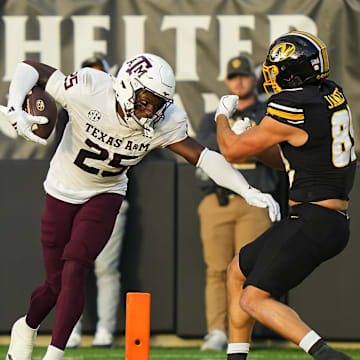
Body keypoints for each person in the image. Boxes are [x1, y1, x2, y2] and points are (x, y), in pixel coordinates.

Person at [2, 53, 280, 360]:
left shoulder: (165, 121)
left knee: (76, 267)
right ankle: (26, 327)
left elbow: (203, 157)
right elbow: (31, 68)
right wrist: (16, 106)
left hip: (106, 193)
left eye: (158, 104)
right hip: (61, 189)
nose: (150, 111)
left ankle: (53, 356)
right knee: (54, 285)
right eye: (145, 101)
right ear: (125, 87)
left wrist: (246, 188)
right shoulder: (90, 87)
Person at [214, 31, 356, 360]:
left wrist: (222, 115)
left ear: (292, 74)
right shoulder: (330, 93)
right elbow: (287, 159)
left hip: (315, 219)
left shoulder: (294, 103)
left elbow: (231, 151)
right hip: (322, 217)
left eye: (277, 70)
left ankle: (328, 356)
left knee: (254, 298)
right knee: (237, 270)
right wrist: (255, 139)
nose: (272, 76)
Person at [196, 54, 281, 351]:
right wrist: (240, 141)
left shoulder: (267, 112)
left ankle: (241, 333)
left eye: (244, 75)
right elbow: (210, 149)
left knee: (249, 268)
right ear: (226, 81)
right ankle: (217, 331)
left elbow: (268, 145)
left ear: (253, 78)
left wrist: (238, 142)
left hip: (254, 197)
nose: (239, 81)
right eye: (233, 77)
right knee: (216, 269)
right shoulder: (212, 117)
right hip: (218, 200)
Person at [52, 54, 126, 349]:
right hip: (72, 195)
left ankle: (105, 330)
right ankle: (69, 329)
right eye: (89, 74)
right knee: (71, 266)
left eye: (100, 74)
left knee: (105, 268)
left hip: (107, 198)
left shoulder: (126, 113)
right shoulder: (73, 107)